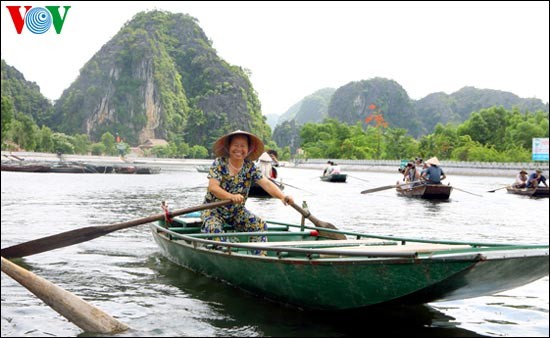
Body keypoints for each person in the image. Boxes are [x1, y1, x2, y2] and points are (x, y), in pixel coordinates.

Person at [202, 130, 294, 254]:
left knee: (260, 225)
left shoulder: (249, 167)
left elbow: (266, 183)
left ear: (248, 149)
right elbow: (213, 187)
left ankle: (259, 257)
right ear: (229, 147)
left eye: (243, 146)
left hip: (236, 212)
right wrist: (231, 196)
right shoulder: (219, 163)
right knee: (215, 231)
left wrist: (282, 197)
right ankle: (223, 257)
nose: (239, 149)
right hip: (214, 211)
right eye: (235, 145)